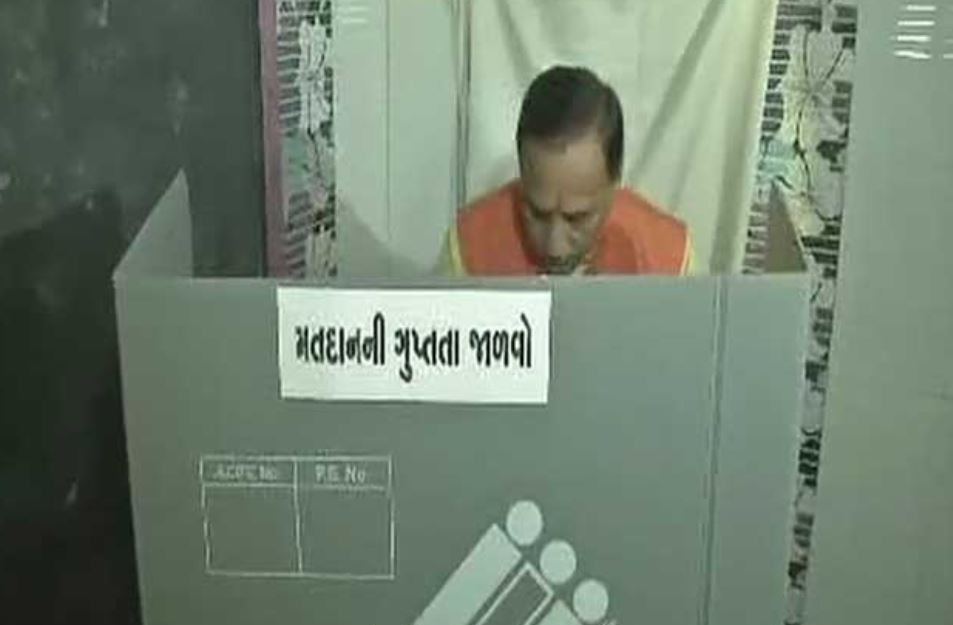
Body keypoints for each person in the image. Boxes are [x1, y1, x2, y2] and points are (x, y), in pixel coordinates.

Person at [441, 65, 694, 276]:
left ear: (615, 181)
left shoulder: (673, 263)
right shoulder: (466, 253)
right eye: (537, 213)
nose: (555, 247)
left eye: (577, 218)